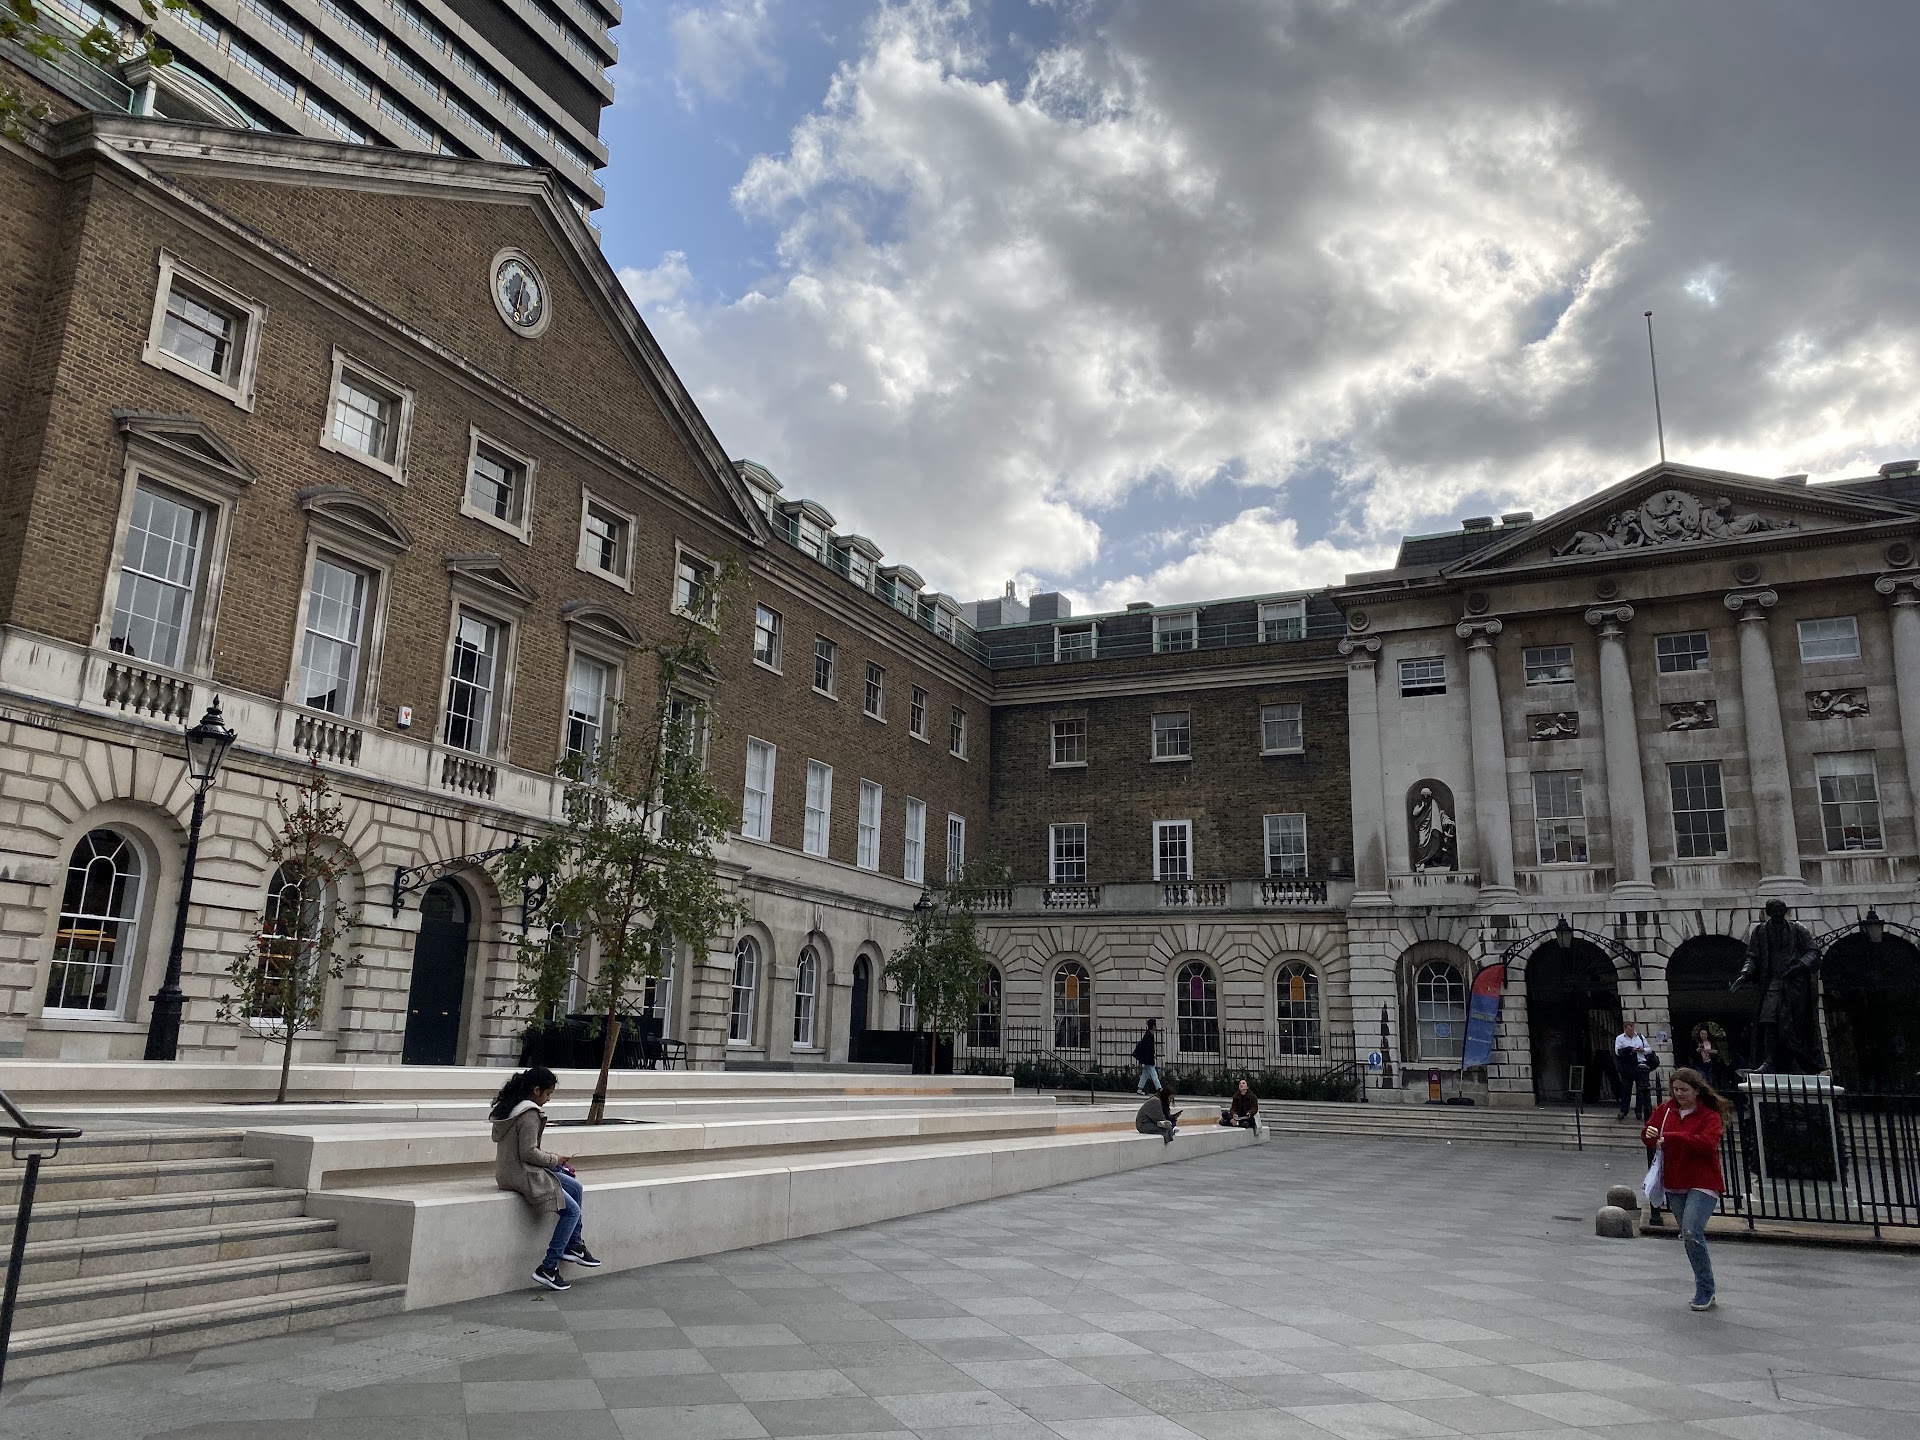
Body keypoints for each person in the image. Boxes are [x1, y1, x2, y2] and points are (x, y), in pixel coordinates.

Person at [490, 1066, 602, 1291]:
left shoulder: (512, 1108)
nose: (549, 1099)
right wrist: (555, 1159)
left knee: (575, 1188)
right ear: (536, 1090)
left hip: (509, 1171)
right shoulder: (529, 1114)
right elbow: (529, 1153)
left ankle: (574, 1245)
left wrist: (555, 1164)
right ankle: (548, 1268)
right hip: (523, 1174)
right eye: (548, 1094)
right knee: (571, 1211)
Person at [1642, 1067, 1728, 1312]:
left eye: (1684, 1090)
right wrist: (1648, 1133)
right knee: (1688, 1237)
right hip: (1675, 1180)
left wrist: (1672, 1137)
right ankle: (1703, 1284)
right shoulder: (1666, 1110)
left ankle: (1705, 1289)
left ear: (1697, 1090)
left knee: (1691, 1231)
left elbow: (1706, 1143)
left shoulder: (1709, 1115)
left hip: (1703, 1181)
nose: (1679, 1094)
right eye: (1675, 1089)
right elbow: (1650, 1136)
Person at [1614, 1019, 1654, 1122]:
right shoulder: (1620, 1038)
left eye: (1632, 1030)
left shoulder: (1640, 1037)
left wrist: (1642, 1050)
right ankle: (1624, 1110)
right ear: (1625, 1029)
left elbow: (1649, 1049)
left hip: (1639, 1065)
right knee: (1626, 1089)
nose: (1631, 1032)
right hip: (1627, 1066)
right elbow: (1618, 1052)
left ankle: (1639, 1111)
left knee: (1640, 1089)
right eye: (1629, 1030)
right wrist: (1630, 1050)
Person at [1133, 1019, 1160, 1095]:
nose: (1156, 1026)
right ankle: (1159, 1089)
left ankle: (1139, 1088)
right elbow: (1148, 1049)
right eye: (1155, 1025)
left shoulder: (1149, 1034)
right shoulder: (1148, 1035)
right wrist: (1151, 1058)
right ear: (1153, 1026)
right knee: (1154, 1074)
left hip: (1148, 1058)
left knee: (1145, 1074)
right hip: (1148, 1059)